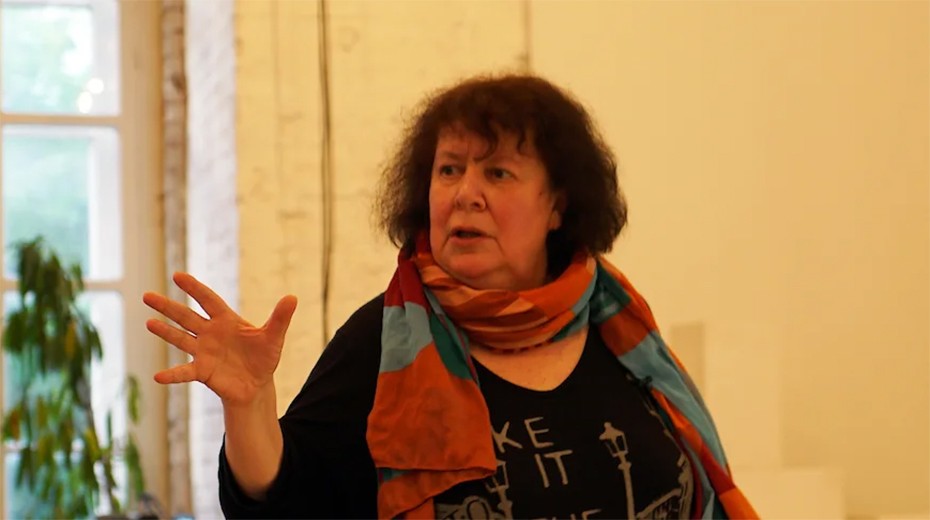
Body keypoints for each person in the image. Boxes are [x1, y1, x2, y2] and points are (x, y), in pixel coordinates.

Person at [143, 74, 758, 519]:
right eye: (449, 169)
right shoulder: (385, 341)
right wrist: (249, 407)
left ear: (557, 205)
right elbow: (283, 501)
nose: (466, 193)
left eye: (497, 172)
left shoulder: (617, 327)